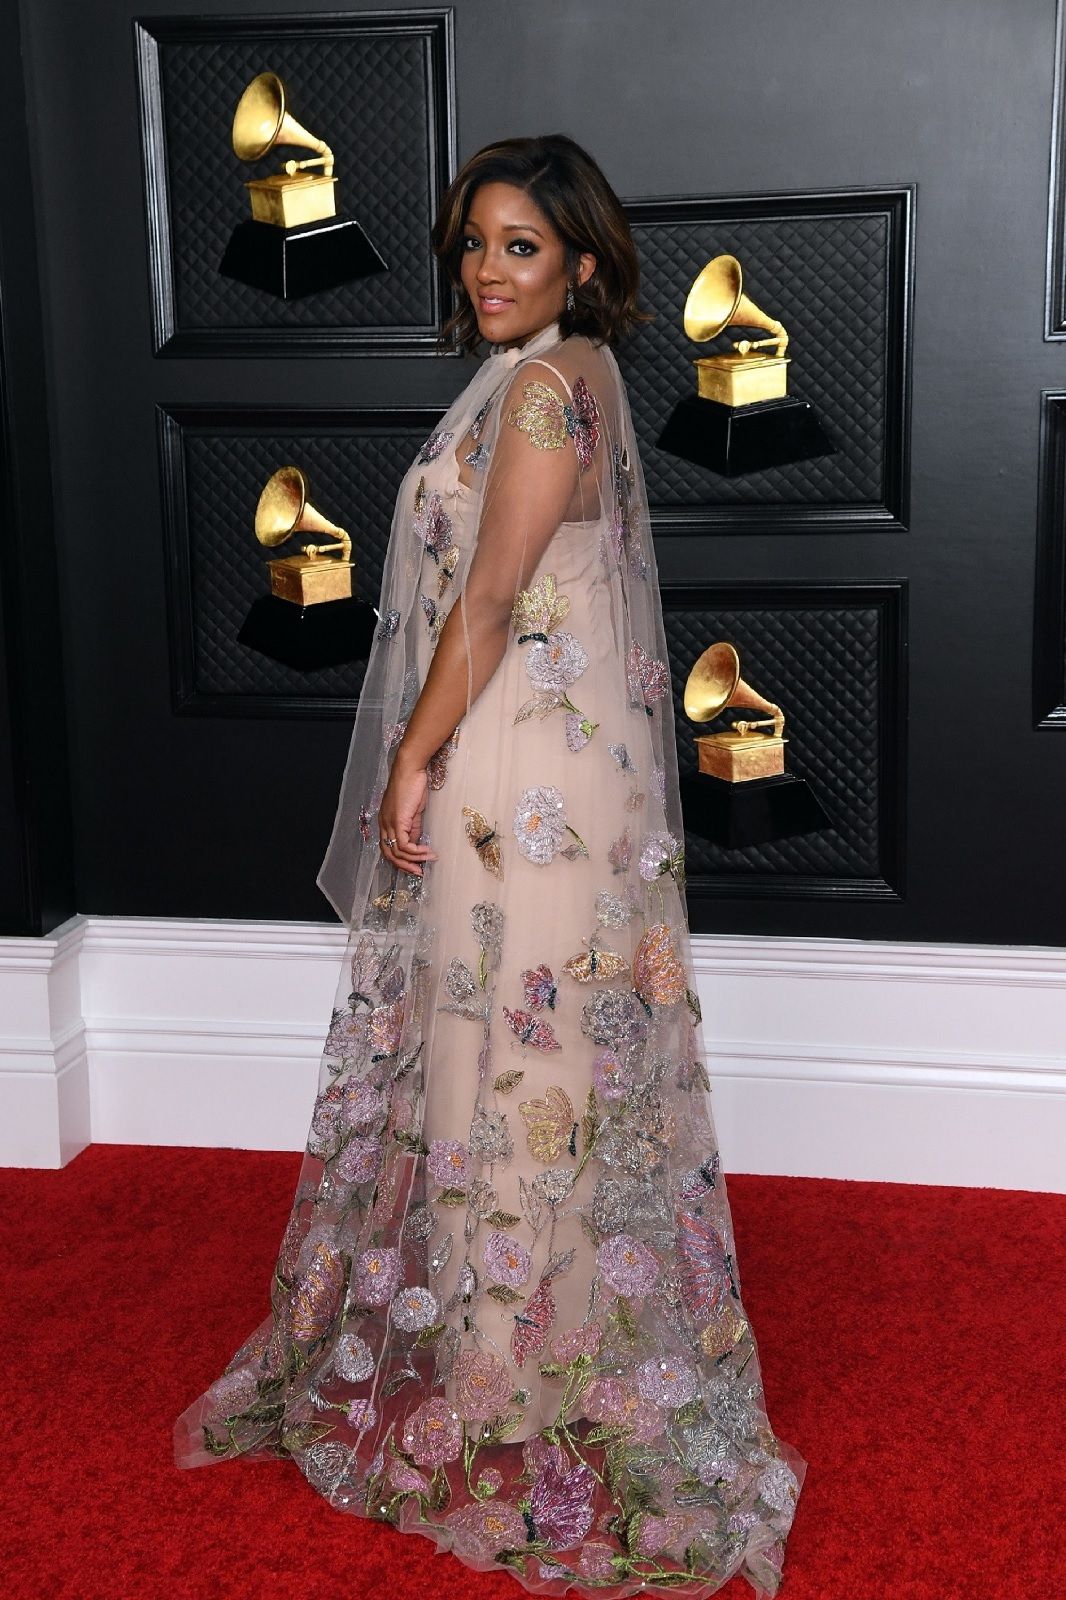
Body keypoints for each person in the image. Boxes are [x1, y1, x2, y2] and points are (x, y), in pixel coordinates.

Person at [174, 134, 807, 1598]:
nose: (485, 270)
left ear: (581, 260)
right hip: (551, 771)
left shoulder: (537, 393)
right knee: (542, 1049)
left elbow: (488, 599)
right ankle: (538, 1346)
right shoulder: (576, 376)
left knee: (505, 1048)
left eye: (519, 245)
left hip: (517, 776)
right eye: (472, 243)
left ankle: (511, 1368)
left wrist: (410, 757)